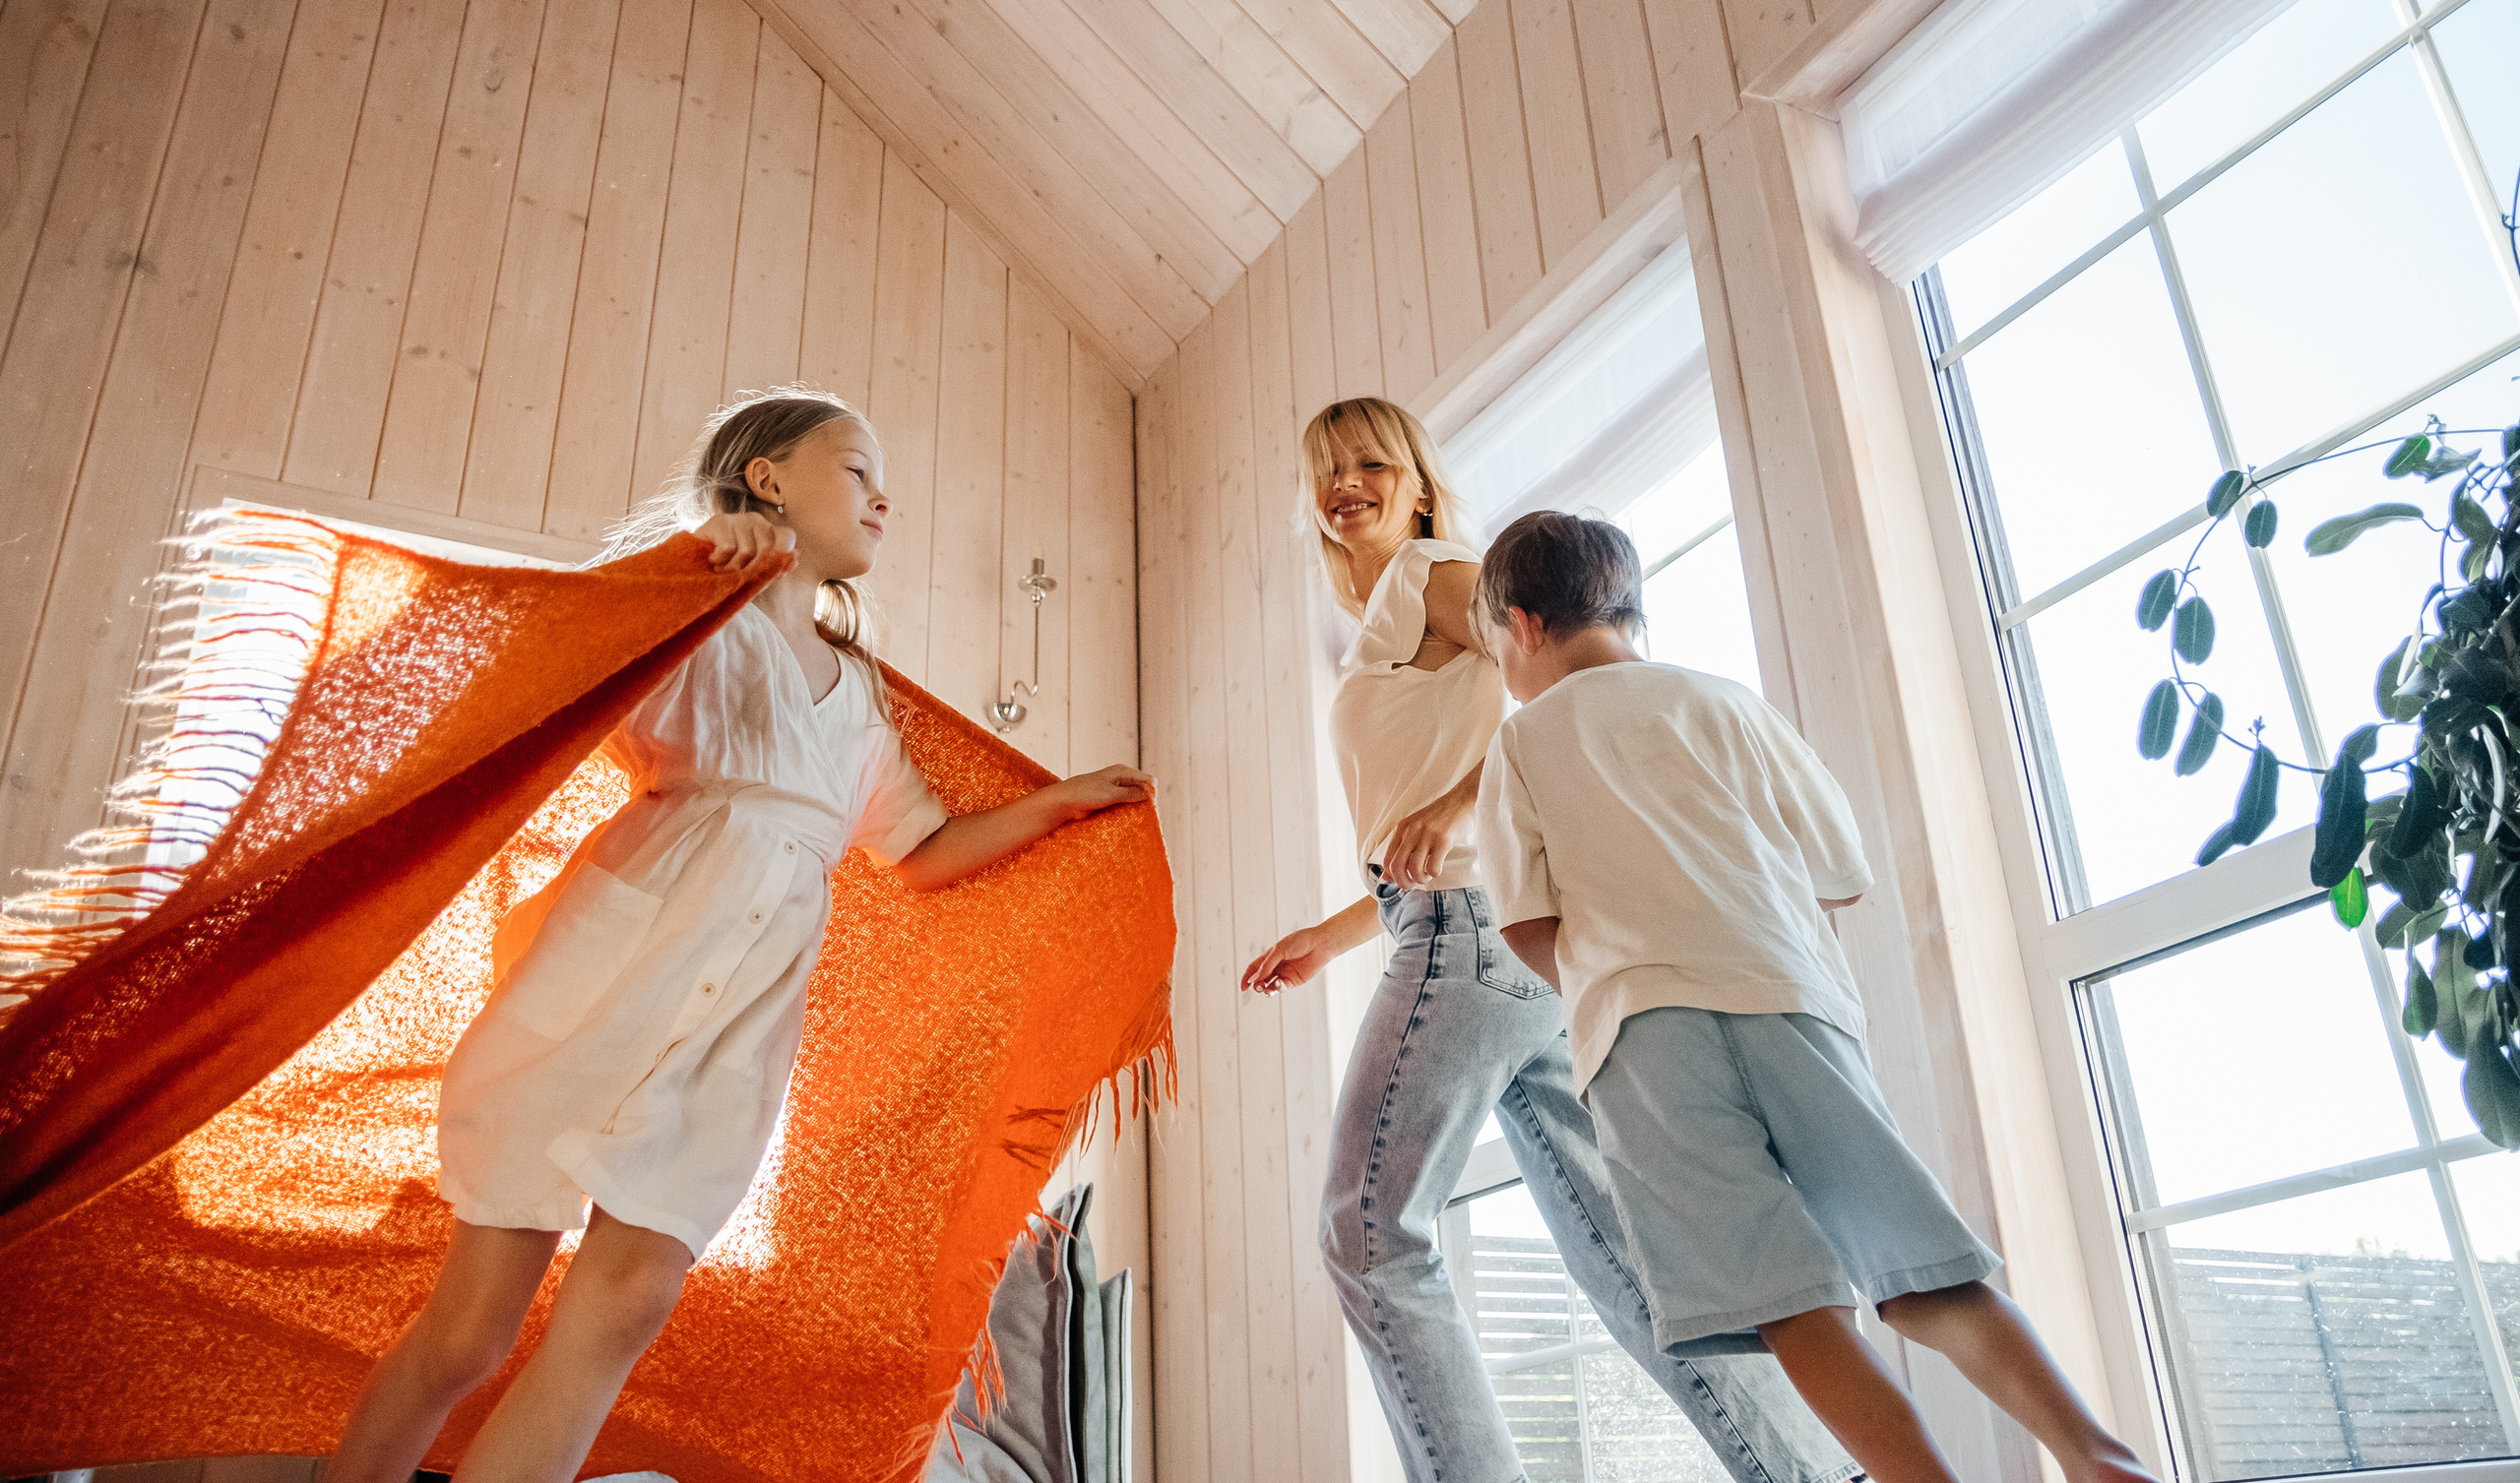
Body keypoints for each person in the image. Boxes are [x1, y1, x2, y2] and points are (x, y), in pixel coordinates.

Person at [330, 387, 1153, 1483]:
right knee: (471, 1331)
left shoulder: (857, 695)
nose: (883, 499)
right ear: (767, 479)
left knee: (629, 1302)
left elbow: (920, 846)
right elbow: (573, 657)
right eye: (857, 471)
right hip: (612, 988)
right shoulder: (700, 607)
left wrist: (1054, 805)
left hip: (737, 1037)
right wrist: (697, 563)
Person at [1471, 511, 2157, 1483]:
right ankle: (2101, 1459)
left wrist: (1604, 978)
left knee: (1790, 1304)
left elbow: (1525, 923)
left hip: (1644, 1031)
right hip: (1792, 998)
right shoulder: (1730, 704)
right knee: (1923, 1272)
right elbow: (1837, 869)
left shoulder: (1523, 741)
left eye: (1497, 648)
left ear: (1524, 623)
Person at [1241, 399, 1853, 1483]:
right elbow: (1423, 845)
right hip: (1504, 948)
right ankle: (1817, 1471)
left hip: (1469, 942)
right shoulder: (1390, 608)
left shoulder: (1431, 572)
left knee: (1368, 1234)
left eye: (1371, 462)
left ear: (1418, 485)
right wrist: (1333, 936)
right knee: (1622, 1251)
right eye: (1326, 470)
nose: (1345, 485)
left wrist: (1458, 807)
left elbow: (1565, 680)